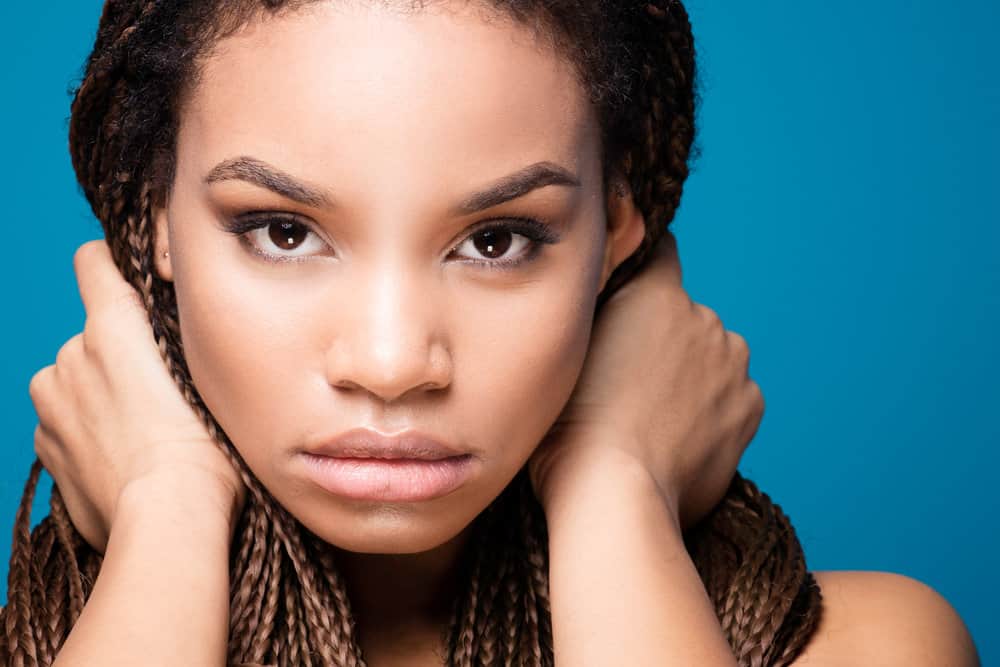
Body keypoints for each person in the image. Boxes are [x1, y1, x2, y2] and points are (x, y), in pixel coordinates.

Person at [2, 1, 979, 665]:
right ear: (152, 217)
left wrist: (612, 480)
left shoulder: (869, 644)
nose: (390, 364)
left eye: (496, 240)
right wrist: (165, 504)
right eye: (285, 232)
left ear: (616, 232)